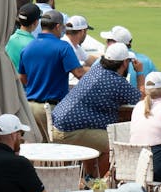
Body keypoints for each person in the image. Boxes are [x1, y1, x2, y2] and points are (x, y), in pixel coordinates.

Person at [51, 43, 142, 180]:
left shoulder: (96, 70)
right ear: (124, 63)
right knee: (115, 145)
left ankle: (90, 179)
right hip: (69, 131)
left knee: (96, 141)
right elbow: (143, 99)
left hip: (60, 125)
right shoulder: (117, 82)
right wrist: (140, 72)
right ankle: (95, 183)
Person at [18, 9, 86, 137]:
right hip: (51, 109)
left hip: (30, 107)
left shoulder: (27, 48)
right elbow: (79, 73)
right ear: (58, 26)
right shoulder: (63, 47)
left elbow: (22, 77)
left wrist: (37, 86)